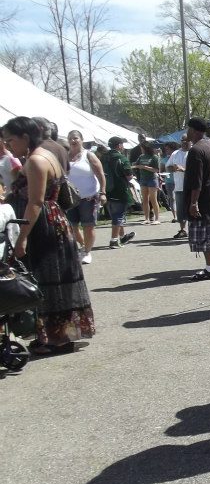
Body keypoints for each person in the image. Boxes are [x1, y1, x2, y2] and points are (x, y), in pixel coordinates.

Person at [2, 116, 95, 356]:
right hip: (56, 219)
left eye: (11, 140)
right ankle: (59, 335)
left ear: (25, 137)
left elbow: (35, 202)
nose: (8, 146)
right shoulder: (48, 154)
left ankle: (57, 338)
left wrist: (22, 238)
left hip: (43, 223)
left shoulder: (35, 160)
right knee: (58, 279)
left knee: (47, 280)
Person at [183, 117, 210, 280]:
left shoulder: (196, 150)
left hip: (203, 199)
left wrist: (193, 202)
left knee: (206, 235)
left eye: (188, 129)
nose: (187, 132)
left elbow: (196, 180)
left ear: (193, 130)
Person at [65, 130, 107, 264]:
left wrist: (103, 193)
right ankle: (83, 245)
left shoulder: (89, 155)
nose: (73, 141)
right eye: (70, 138)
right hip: (70, 198)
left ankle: (87, 252)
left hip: (89, 197)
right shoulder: (65, 157)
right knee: (71, 226)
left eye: (76, 138)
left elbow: (101, 175)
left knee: (88, 226)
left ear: (82, 140)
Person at [101, 137, 136, 249]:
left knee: (115, 214)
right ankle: (114, 240)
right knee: (118, 215)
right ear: (119, 145)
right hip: (120, 190)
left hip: (106, 190)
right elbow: (129, 175)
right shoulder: (121, 158)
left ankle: (122, 237)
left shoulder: (103, 157)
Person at [166, 135, 191, 238]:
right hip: (179, 186)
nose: (184, 142)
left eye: (187, 140)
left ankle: (194, 229)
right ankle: (182, 230)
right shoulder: (175, 153)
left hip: (192, 186)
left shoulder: (194, 151)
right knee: (180, 210)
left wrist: (184, 169)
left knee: (193, 209)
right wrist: (174, 168)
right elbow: (168, 167)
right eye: (182, 140)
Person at [133, 141, 162, 224]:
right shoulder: (141, 156)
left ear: (146, 148)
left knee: (153, 199)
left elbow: (156, 170)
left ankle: (157, 219)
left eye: (142, 147)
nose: (141, 149)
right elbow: (136, 164)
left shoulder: (154, 157)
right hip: (143, 179)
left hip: (152, 179)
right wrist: (134, 165)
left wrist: (144, 167)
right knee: (144, 199)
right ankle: (146, 218)